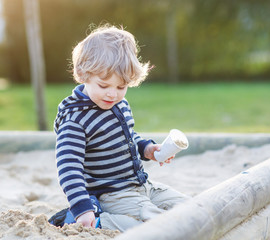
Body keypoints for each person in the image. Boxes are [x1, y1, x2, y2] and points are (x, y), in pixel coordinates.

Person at [53, 25, 189, 231]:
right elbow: (69, 168)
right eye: (104, 86)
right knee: (161, 224)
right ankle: (95, 222)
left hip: (143, 186)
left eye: (121, 87)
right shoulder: (75, 120)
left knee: (189, 208)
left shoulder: (119, 105)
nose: (112, 95)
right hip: (110, 194)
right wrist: (82, 208)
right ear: (82, 74)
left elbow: (127, 137)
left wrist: (147, 149)